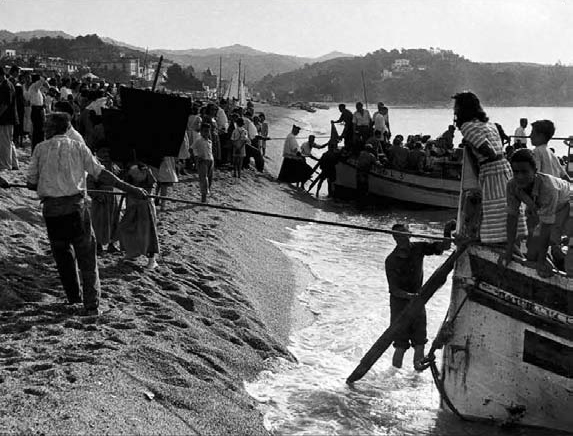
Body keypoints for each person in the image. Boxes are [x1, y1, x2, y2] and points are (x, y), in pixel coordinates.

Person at [27, 112, 148, 316]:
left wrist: (49, 182)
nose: (44, 130)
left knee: (63, 255)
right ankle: (91, 305)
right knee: (87, 258)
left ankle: (73, 297)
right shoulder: (78, 147)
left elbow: (31, 182)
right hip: (75, 209)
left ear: (54, 129)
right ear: (67, 129)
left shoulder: (40, 149)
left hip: (52, 212)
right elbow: (100, 173)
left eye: (47, 127)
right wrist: (131, 188)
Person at [453, 91, 525, 243]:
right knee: (508, 208)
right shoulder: (489, 125)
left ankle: (493, 242)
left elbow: (489, 152)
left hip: (491, 171)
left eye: (456, 107)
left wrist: (473, 147)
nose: (454, 110)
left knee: (494, 211)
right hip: (504, 168)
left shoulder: (468, 127)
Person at [386, 220, 456, 370]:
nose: (401, 239)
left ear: (410, 235)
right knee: (401, 346)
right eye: (397, 236)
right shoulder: (391, 260)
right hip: (400, 305)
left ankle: (416, 377)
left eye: (404, 235)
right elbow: (394, 290)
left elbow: (445, 247)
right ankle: (393, 377)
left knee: (419, 343)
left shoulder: (418, 248)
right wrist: (411, 296)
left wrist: (447, 231)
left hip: (418, 303)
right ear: (394, 238)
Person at [500, 149, 572, 277]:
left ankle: (559, 262)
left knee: (564, 253)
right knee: (532, 251)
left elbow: (546, 227)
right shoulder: (512, 186)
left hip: (568, 205)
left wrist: (541, 261)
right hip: (551, 210)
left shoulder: (548, 188)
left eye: (524, 172)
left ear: (535, 170)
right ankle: (555, 256)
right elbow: (512, 218)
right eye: (516, 172)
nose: (520, 177)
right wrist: (509, 250)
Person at [119, 163, 160, 269]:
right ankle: (132, 253)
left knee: (147, 233)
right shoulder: (130, 171)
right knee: (127, 228)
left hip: (145, 207)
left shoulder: (146, 172)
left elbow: (151, 187)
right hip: (131, 206)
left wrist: (142, 173)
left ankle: (152, 260)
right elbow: (124, 185)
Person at [191, 123, 214, 202]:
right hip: (202, 160)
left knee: (210, 178)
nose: (206, 133)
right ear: (201, 131)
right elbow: (192, 148)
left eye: (208, 131)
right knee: (204, 178)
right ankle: (203, 196)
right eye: (205, 131)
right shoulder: (199, 140)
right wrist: (196, 157)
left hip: (210, 160)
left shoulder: (209, 141)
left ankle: (206, 194)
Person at [0, 67, 17, 171]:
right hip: (8, 118)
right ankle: (14, 163)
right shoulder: (7, 84)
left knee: (4, 142)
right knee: (9, 142)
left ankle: (6, 165)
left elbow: (5, 104)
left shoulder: (6, 86)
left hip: (6, 118)